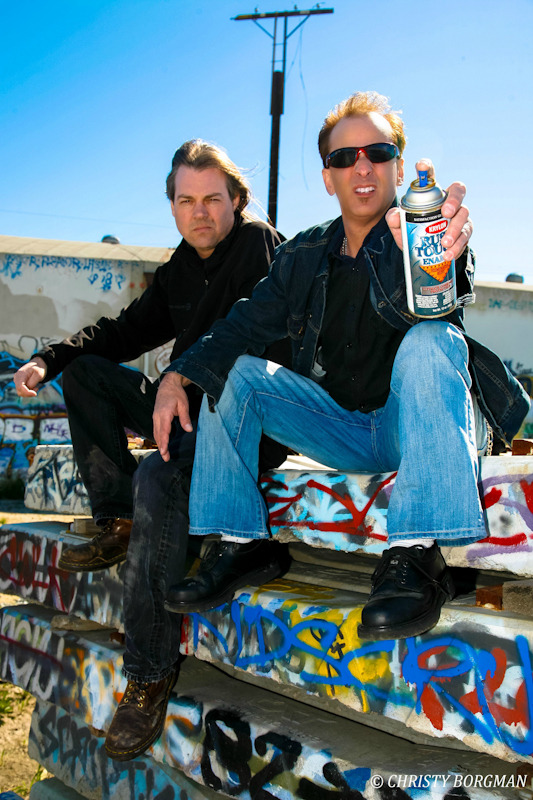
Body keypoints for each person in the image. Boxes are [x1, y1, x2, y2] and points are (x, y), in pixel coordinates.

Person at [152, 91, 530, 642]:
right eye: (344, 157)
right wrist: (176, 375)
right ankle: (239, 544)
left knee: (431, 338)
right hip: (343, 427)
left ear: (398, 166)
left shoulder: (426, 234)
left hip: (416, 428)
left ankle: (418, 557)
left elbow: (441, 305)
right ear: (328, 177)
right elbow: (243, 324)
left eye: (378, 152)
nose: (362, 166)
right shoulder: (303, 255)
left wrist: (437, 254)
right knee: (233, 370)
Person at [13, 139, 290, 760]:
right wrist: (49, 358)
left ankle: (147, 675)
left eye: (213, 199)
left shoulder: (259, 246)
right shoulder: (180, 267)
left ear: (237, 200)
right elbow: (124, 330)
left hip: (241, 422)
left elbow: (253, 330)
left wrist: (181, 375)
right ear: (172, 207)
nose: (201, 212)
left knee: (158, 481)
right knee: (87, 373)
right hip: (181, 409)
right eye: (187, 201)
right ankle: (116, 519)